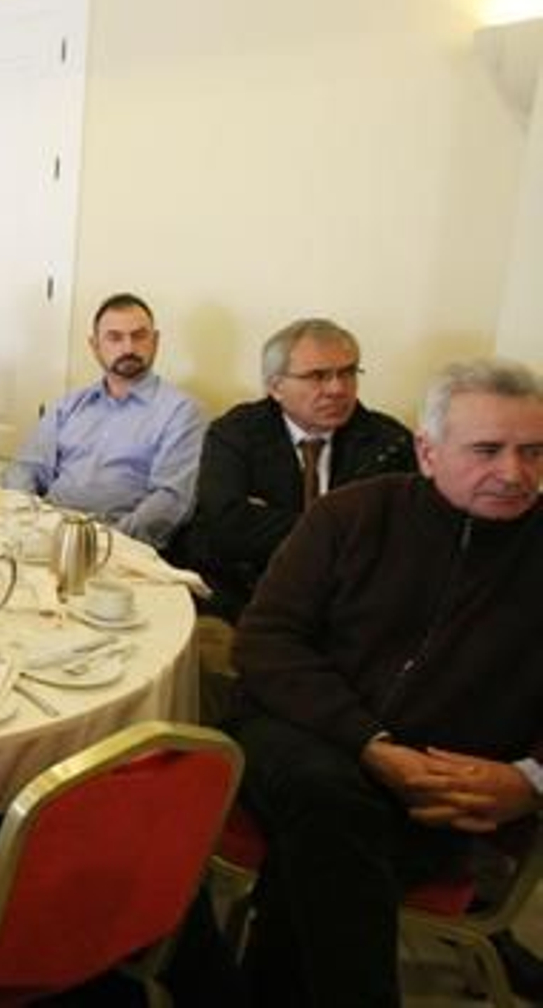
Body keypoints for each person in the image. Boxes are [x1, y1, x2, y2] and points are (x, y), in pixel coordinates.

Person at [231, 358, 543, 1008]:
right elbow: (265, 640)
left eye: (534, 452)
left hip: (442, 790)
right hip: (299, 737)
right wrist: (369, 742)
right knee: (328, 795)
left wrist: (531, 779)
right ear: (428, 453)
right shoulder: (351, 515)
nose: (515, 473)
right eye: (488, 450)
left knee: (318, 850)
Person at [187, 318, 414, 620]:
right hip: (249, 597)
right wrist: (342, 529)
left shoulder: (389, 443)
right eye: (318, 376)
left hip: (354, 605)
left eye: (347, 372)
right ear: (276, 387)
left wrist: (268, 519)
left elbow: (397, 538)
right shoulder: (234, 433)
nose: (337, 389)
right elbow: (227, 528)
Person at [6, 293, 205, 549]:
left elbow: (171, 501)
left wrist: (100, 544)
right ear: (95, 345)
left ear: (155, 341)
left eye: (139, 336)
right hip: (48, 535)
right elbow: (26, 468)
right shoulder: (68, 406)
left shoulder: (181, 412)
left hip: (121, 546)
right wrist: (27, 520)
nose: (128, 348)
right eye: (114, 337)